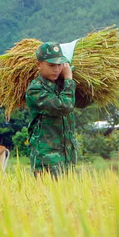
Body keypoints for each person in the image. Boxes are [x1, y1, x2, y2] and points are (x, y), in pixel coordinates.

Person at [25, 41, 78, 177]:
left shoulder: (61, 85)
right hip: (47, 160)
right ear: (39, 65)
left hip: (68, 157)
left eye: (59, 65)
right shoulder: (35, 90)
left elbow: (83, 102)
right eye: (51, 65)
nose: (56, 69)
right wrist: (69, 79)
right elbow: (65, 106)